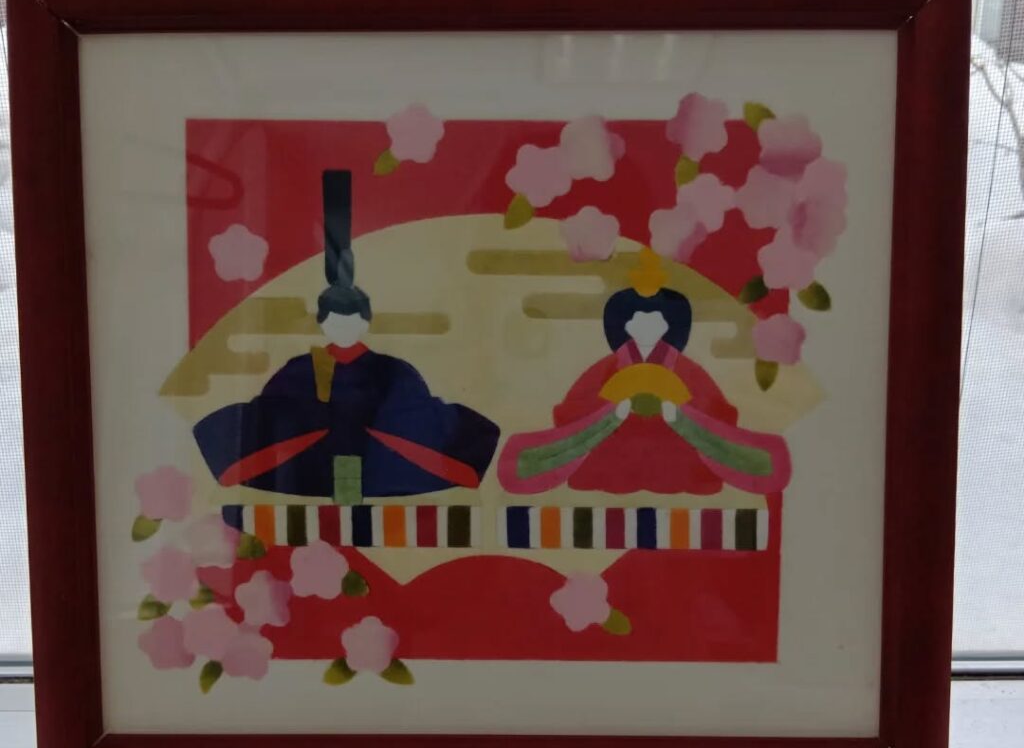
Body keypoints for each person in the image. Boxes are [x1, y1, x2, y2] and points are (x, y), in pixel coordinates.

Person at [193, 170, 499, 503]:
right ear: (322, 323)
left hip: (382, 472)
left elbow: (418, 418)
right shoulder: (301, 370)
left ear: (365, 322)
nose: (343, 328)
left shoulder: (391, 370)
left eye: (351, 320)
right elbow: (269, 419)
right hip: (311, 474)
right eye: (335, 321)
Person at [497, 247, 790, 496]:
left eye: (656, 319)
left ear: (670, 324)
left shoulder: (687, 372)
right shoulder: (606, 369)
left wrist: (680, 415)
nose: (646, 326)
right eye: (637, 318)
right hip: (614, 456)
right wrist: (613, 413)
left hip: (675, 457)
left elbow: (717, 414)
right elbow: (573, 414)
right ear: (623, 323)